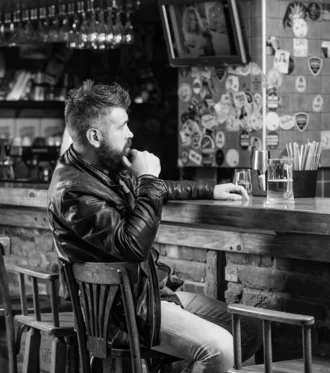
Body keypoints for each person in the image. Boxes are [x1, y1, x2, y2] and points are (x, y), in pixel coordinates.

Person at [48, 81, 262, 373]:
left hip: (144, 296)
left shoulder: (99, 164)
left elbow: (156, 188)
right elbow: (132, 246)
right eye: (122, 126)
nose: (130, 133)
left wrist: (210, 190)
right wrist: (148, 179)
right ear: (95, 136)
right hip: (115, 312)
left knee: (248, 331)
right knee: (221, 348)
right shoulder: (73, 192)